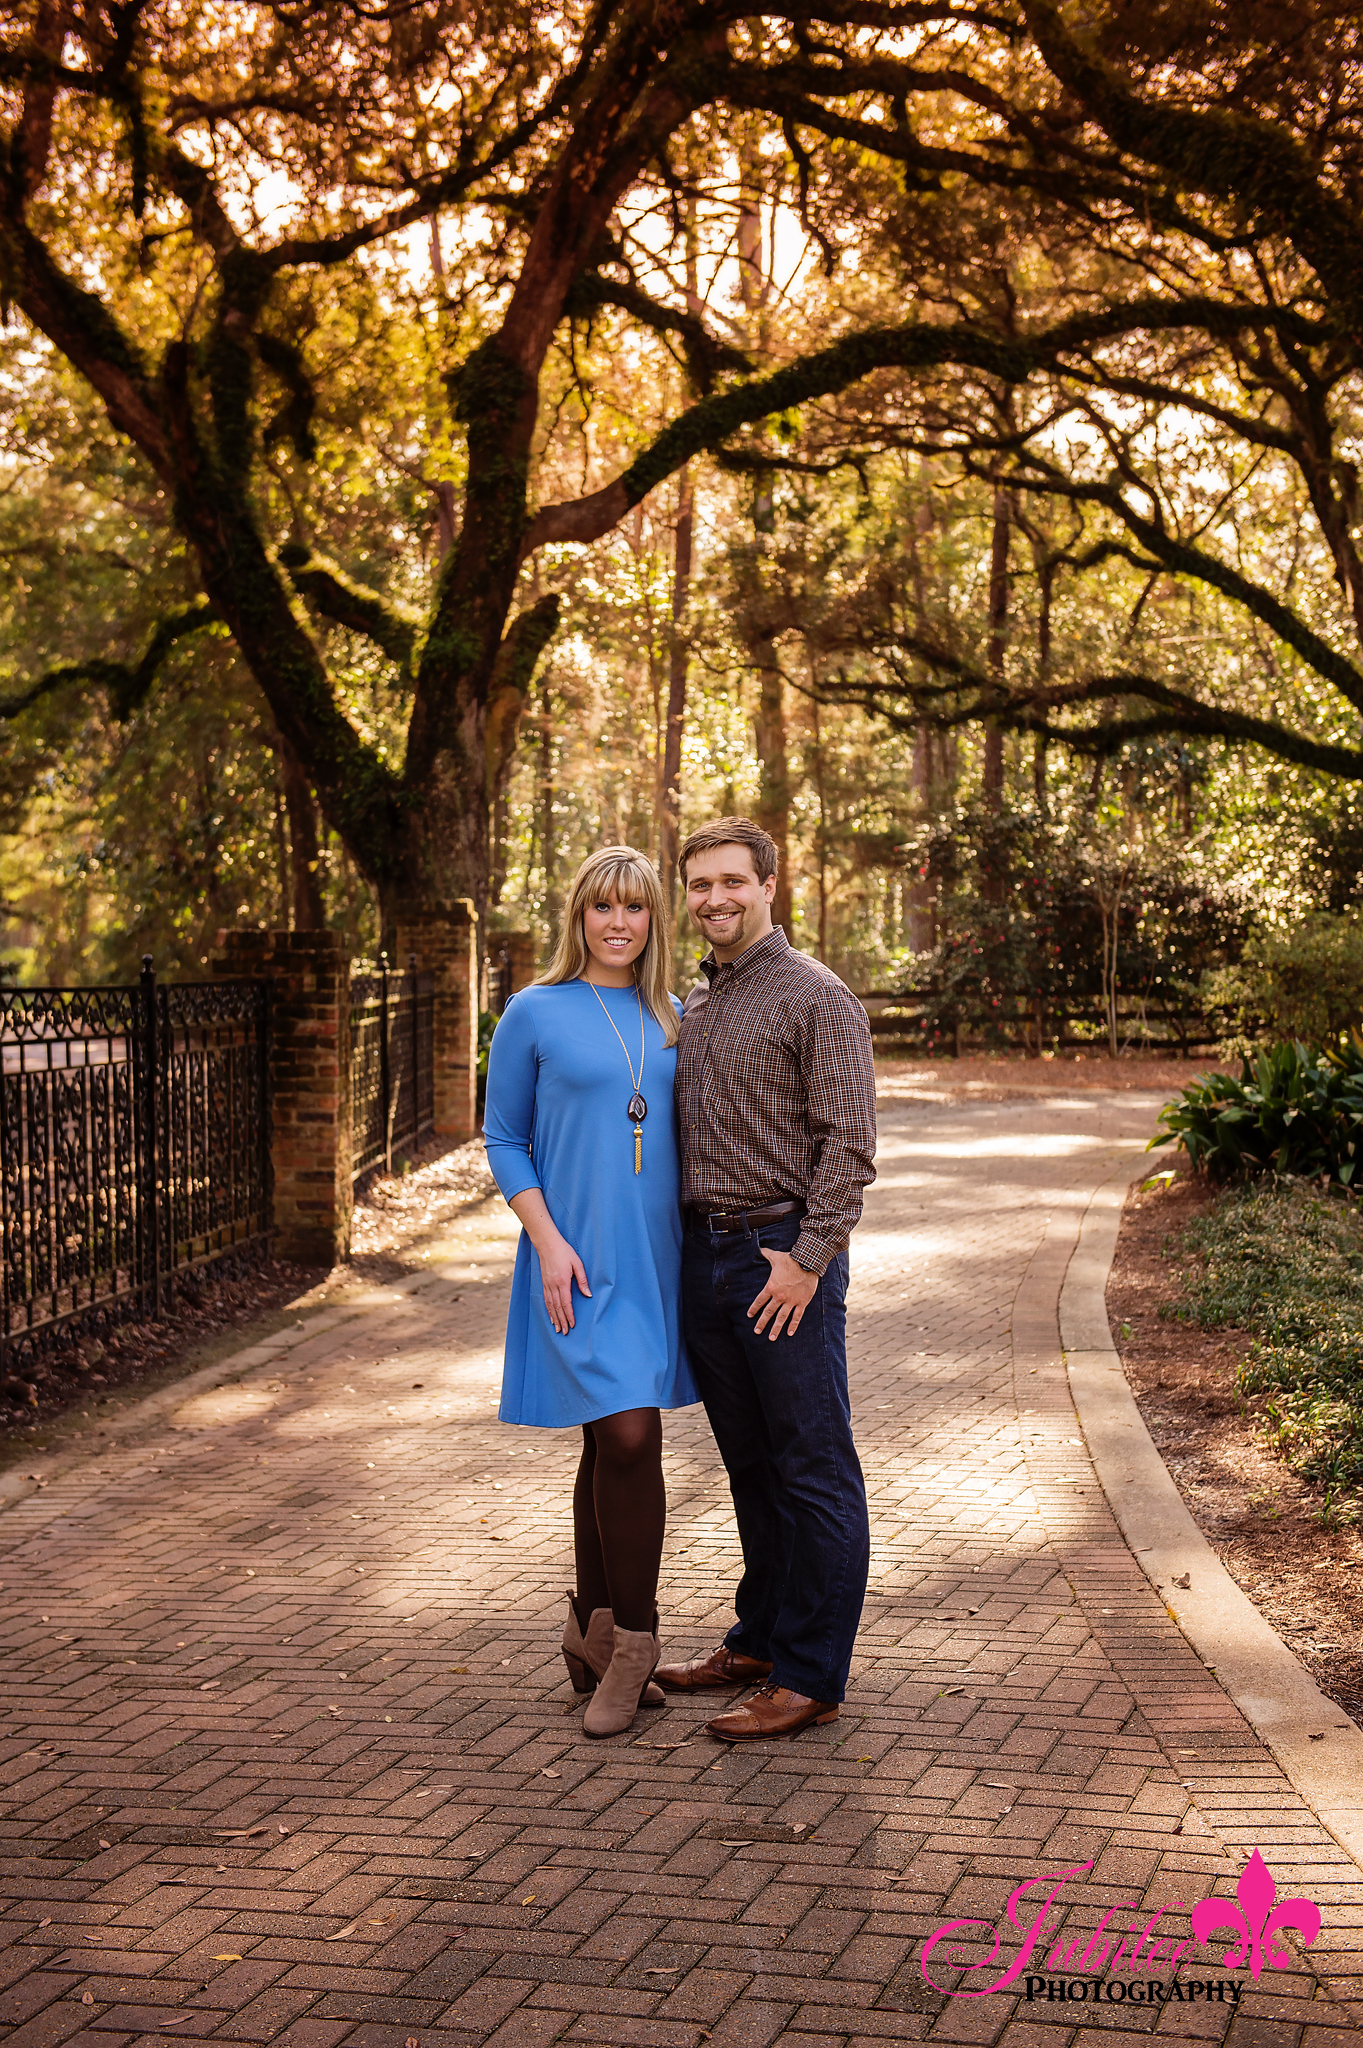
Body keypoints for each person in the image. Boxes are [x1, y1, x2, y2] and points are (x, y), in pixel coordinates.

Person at [655, 817, 877, 1740]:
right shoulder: (691, 1006)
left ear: (767, 886)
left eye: (731, 882)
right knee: (750, 1466)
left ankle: (812, 1674)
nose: (714, 899)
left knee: (812, 1466)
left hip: (779, 1257)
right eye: (700, 884)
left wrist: (809, 1258)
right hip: (704, 1259)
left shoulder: (814, 998)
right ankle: (758, 1641)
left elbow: (849, 1145)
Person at [483, 846, 696, 1737]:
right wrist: (546, 1241)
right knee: (626, 1431)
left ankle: (590, 1632)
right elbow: (504, 1138)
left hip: (659, 1261)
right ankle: (638, 1641)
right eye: (602, 907)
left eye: (635, 908)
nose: (618, 923)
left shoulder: (677, 1017)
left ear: (654, 921)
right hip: (574, 1259)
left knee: (603, 1446)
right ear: (578, 916)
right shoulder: (533, 1011)